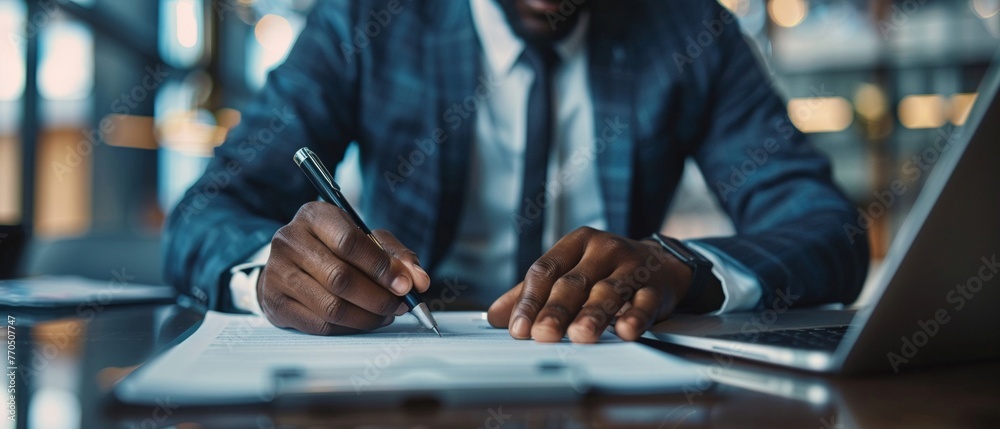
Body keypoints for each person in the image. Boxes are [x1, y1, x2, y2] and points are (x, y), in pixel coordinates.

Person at [164, 0, 869, 344]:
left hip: (609, 376)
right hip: (402, 384)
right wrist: (267, 273)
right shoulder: (367, 19)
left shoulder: (690, 31)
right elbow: (206, 213)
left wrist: (681, 267)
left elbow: (828, 230)